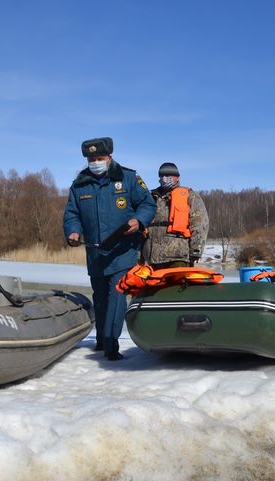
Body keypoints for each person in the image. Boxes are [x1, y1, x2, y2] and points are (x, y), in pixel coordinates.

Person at [63, 137, 156, 361]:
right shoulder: (80, 184)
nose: (95, 162)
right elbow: (72, 214)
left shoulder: (128, 177)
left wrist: (138, 221)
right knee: (100, 297)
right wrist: (73, 232)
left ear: (109, 157)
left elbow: (147, 204)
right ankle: (102, 339)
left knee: (116, 295)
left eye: (100, 158)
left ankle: (112, 344)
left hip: (122, 251)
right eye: (91, 159)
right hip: (95, 253)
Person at [141, 162, 209, 268]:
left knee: (177, 285)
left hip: (178, 258)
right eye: (162, 176)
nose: (164, 178)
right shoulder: (151, 197)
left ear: (177, 177)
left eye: (168, 175)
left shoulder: (190, 196)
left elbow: (200, 225)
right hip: (151, 259)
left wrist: (195, 252)